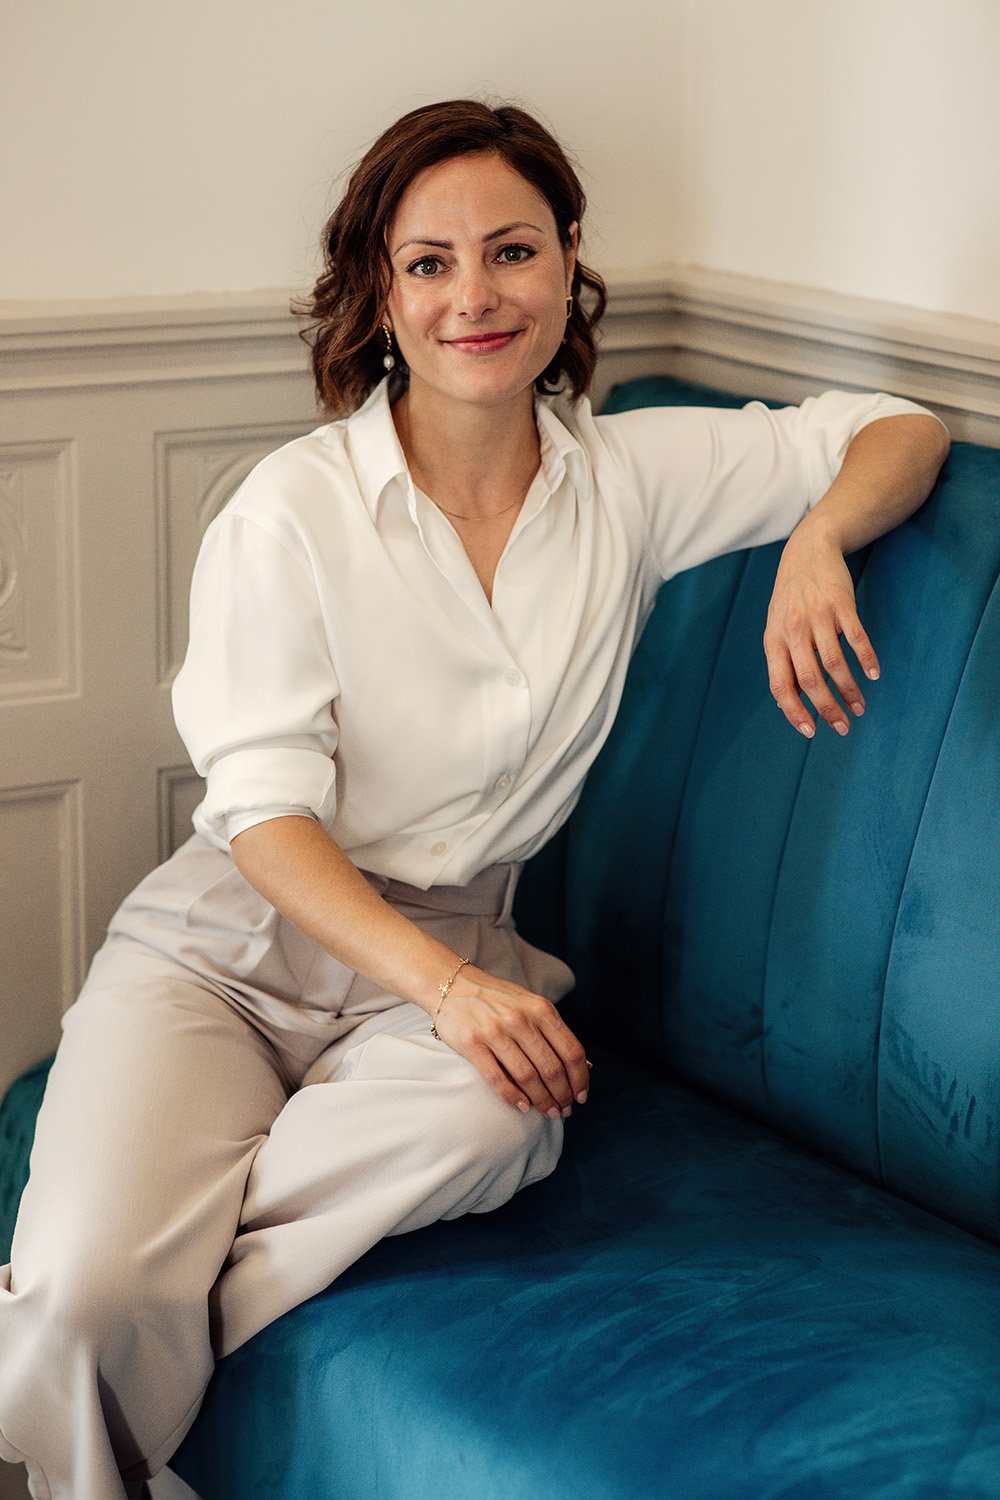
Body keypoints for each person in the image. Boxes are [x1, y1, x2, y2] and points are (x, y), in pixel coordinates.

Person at [0, 99, 949, 1500]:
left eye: (511, 251)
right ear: (381, 289)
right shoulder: (289, 511)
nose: (475, 296)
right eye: (430, 262)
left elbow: (897, 427)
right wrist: (450, 992)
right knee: (85, 1290)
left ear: (568, 264)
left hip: (444, 961)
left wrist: (816, 540)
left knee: (504, 1119)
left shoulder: (631, 479)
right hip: (228, 955)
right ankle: (84, 1312)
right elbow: (263, 817)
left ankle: (101, 1303)